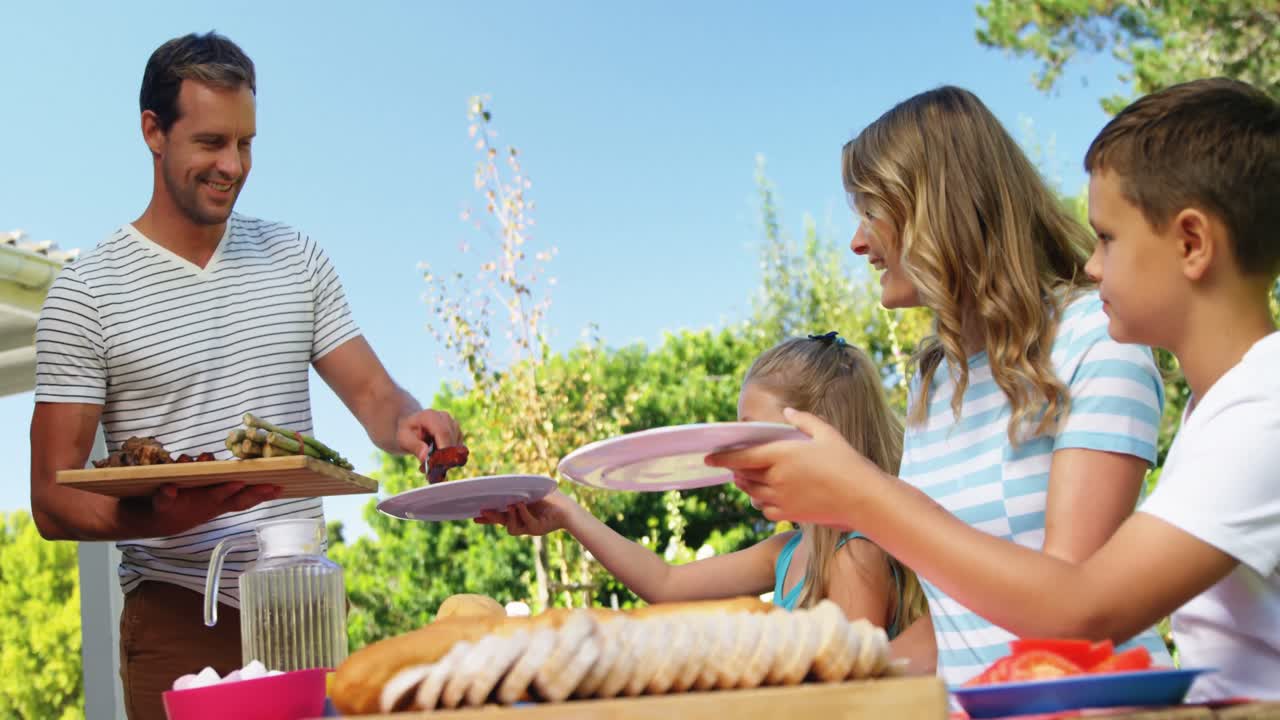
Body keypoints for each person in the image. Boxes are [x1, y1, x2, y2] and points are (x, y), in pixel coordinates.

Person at [710, 78, 1280, 700]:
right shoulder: (937, 378)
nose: (1093, 263)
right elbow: (963, 624)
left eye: (872, 208)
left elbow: (1077, 610)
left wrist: (861, 495)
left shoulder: (1234, 398)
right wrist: (821, 687)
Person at [29, 32, 461, 719]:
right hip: (176, 615)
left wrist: (413, 423)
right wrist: (162, 514)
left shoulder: (296, 257)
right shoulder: (89, 292)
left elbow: (377, 397)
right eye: (210, 142)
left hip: (302, 608)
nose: (233, 165)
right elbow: (52, 498)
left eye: (246, 143)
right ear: (153, 131)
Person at [480, 334, 928, 634]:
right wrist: (567, 514)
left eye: (751, 436)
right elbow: (667, 583)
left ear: (819, 435)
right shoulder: (788, 550)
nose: (735, 457)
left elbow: (855, 700)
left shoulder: (855, 555)